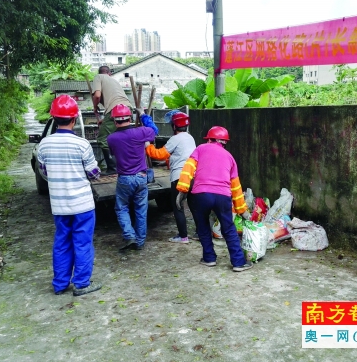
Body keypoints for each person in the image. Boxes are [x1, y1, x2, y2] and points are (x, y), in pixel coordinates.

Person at [37, 95, 102, 296]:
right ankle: (81, 284)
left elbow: (44, 172)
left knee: (62, 242)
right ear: (74, 119)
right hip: (82, 205)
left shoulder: (44, 145)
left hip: (59, 205)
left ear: (54, 118)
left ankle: (60, 284)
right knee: (82, 243)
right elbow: (93, 174)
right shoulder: (82, 144)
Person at [176, 126, 253, 272]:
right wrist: (242, 209)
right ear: (225, 142)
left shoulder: (200, 149)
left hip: (200, 195)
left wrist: (182, 190)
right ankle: (238, 263)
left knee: (203, 226)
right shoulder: (230, 157)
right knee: (228, 228)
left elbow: (188, 169)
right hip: (222, 196)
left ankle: (209, 258)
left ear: (209, 139)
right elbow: (235, 186)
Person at [107, 104, 156, 251]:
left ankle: (129, 235)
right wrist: (143, 115)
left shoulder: (111, 138)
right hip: (141, 177)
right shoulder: (140, 132)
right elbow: (154, 130)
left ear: (115, 121)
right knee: (141, 210)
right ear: (130, 118)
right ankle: (139, 243)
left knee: (122, 208)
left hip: (124, 178)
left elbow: (113, 154)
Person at [145, 111, 196, 243]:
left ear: (174, 126)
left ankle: (183, 236)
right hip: (192, 176)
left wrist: (148, 146)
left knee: (178, 206)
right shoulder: (190, 138)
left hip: (179, 177)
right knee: (194, 206)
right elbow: (180, 155)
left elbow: (159, 154)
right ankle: (200, 233)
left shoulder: (175, 139)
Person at [92, 65, 132, 175]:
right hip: (127, 108)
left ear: (100, 72)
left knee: (103, 138)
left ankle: (112, 168)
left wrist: (95, 106)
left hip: (115, 109)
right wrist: (105, 120)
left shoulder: (98, 77)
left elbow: (97, 95)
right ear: (109, 73)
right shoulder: (114, 81)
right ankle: (124, 164)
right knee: (121, 136)